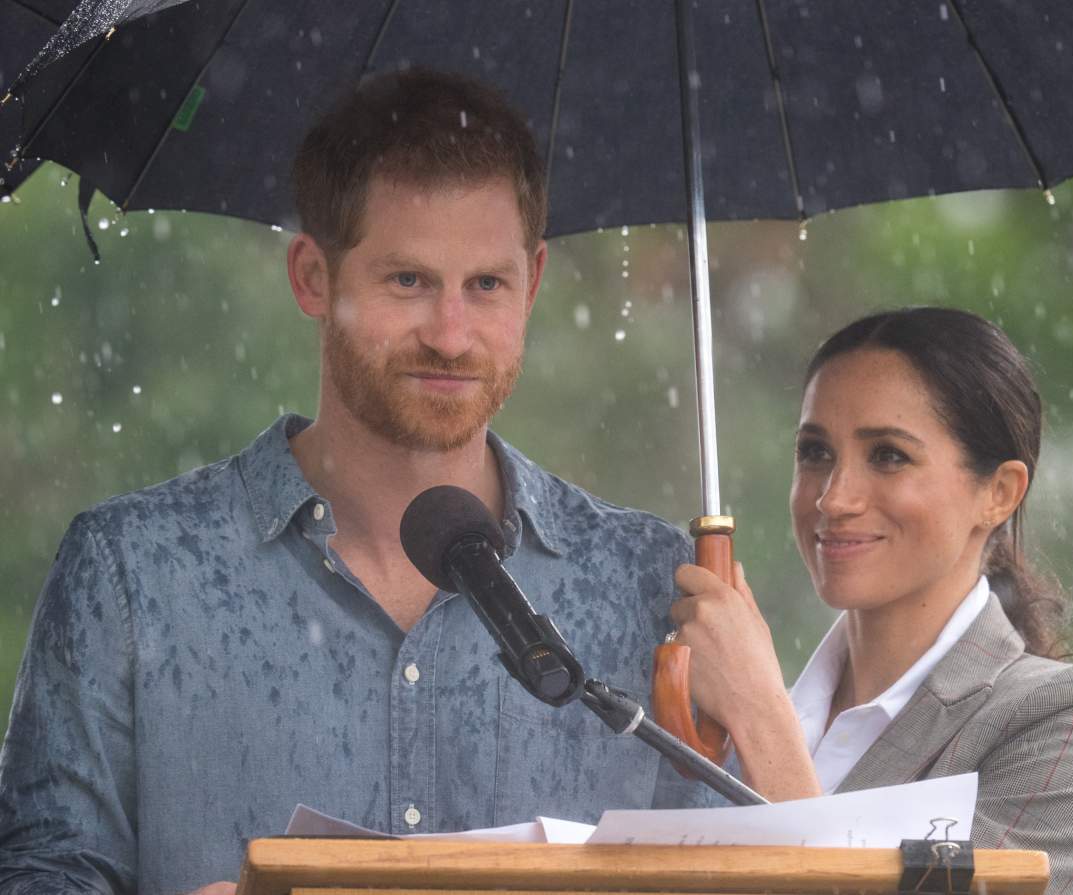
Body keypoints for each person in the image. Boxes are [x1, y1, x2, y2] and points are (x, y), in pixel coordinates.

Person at [0, 70, 708, 895]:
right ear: (312, 277)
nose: (450, 335)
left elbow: (735, 873)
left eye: (486, 284)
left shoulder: (653, 584)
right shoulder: (130, 572)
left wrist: (764, 723)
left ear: (535, 281)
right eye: (407, 280)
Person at [671, 307, 1073, 894]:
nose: (833, 499)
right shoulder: (709, 721)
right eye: (815, 453)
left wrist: (760, 719)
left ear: (998, 493)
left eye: (889, 456)